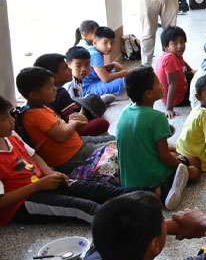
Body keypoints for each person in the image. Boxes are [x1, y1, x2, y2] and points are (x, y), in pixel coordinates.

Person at [0, 95, 128, 226]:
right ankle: (124, 233)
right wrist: (38, 185)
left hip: (43, 182)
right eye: (5, 118)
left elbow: (33, 156)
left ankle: (146, 194)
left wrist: (51, 174)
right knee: (87, 208)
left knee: (96, 190)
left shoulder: (11, 136)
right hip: (24, 202)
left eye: (9, 115)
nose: (12, 121)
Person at [116, 66, 199, 210]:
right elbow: (164, 156)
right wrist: (184, 168)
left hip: (128, 183)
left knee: (176, 155)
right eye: (158, 82)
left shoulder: (125, 111)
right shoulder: (157, 118)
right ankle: (166, 188)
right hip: (153, 178)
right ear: (148, 93)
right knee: (194, 165)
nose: (162, 84)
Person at [15, 67, 114, 175]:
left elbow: (59, 127)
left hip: (78, 144)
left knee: (115, 139)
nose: (55, 89)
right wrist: (74, 123)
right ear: (34, 95)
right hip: (72, 155)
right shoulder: (34, 114)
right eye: (49, 87)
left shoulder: (42, 108)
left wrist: (74, 120)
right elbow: (61, 135)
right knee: (118, 146)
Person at [33, 53, 111, 137]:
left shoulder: (45, 93)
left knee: (88, 98)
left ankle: (96, 102)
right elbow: (77, 121)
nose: (70, 70)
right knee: (101, 122)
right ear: (52, 75)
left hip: (70, 111)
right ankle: (97, 104)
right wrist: (83, 115)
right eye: (66, 68)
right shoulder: (60, 92)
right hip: (70, 128)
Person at [154, 26, 194, 119]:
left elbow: (187, 67)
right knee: (205, 90)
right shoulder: (170, 58)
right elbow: (172, 84)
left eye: (182, 42)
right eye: (174, 43)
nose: (180, 46)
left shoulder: (175, 55)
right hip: (177, 99)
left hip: (166, 96)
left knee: (198, 75)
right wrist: (169, 109)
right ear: (166, 47)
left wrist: (193, 73)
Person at [82, 27, 127, 97]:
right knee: (120, 82)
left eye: (112, 43)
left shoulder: (95, 50)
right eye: (105, 43)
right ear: (95, 43)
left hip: (95, 82)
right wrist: (123, 73)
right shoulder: (95, 55)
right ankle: (105, 98)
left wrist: (112, 65)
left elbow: (97, 70)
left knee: (114, 71)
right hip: (88, 89)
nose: (109, 46)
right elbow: (105, 78)